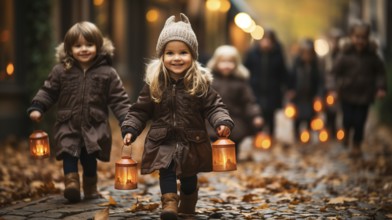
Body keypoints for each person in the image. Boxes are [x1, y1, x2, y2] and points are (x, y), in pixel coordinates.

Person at [121, 14, 234, 219]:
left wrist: (221, 122)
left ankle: (188, 201)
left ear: (193, 55)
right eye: (170, 53)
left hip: (192, 140)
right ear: (162, 56)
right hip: (162, 139)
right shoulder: (155, 83)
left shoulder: (199, 83)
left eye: (183, 52)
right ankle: (169, 204)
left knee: (189, 177)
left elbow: (214, 106)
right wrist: (130, 128)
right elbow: (140, 110)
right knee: (167, 171)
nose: (176, 58)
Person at [27, 21, 131, 203]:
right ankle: (71, 184)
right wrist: (38, 106)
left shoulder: (107, 72)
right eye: (78, 46)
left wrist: (127, 122)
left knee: (89, 159)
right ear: (69, 49)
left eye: (89, 45)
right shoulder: (61, 71)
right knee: (69, 154)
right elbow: (49, 90)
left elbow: (119, 99)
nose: (84, 49)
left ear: (98, 46)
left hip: (94, 125)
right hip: (67, 123)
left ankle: (90, 187)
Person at [328, 20, 387, 157]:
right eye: (357, 37)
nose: (359, 41)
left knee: (360, 121)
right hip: (347, 93)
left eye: (363, 38)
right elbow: (333, 73)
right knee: (348, 118)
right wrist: (333, 89)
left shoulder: (372, 56)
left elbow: (380, 73)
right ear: (351, 37)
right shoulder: (344, 55)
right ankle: (346, 132)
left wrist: (380, 87)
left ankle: (356, 144)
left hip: (365, 94)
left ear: (367, 39)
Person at [206, 45, 263, 158]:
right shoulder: (210, 81)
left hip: (235, 118)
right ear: (216, 62)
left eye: (230, 62)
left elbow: (248, 101)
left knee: (234, 139)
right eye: (223, 62)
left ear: (236, 64)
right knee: (213, 137)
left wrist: (255, 115)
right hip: (213, 118)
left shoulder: (240, 82)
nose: (226, 65)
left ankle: (232, 158)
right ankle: (215, 158)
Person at [244, 29, 290, 139]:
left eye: (269, 40)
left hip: (272, 89)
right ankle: (257, 137)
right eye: (264, 40)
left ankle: (270, 137)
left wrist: (288, 88)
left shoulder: (278, 55)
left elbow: (283, 72)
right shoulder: (252, 53)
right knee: (257, 113)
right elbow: (246, 69)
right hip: (256, 88)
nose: (266, 43)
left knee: (270, 114)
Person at [288, 39, 323, 140]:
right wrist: (290, 90)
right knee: (297, 118)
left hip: (310, 96)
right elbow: (291, 78)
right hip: (298, 96)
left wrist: (319, 95)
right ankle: (297, 135)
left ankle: (307, 135)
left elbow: (319, 81)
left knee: (309, 117)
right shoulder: (296, 65)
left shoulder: (315, 66)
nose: (306, 56)